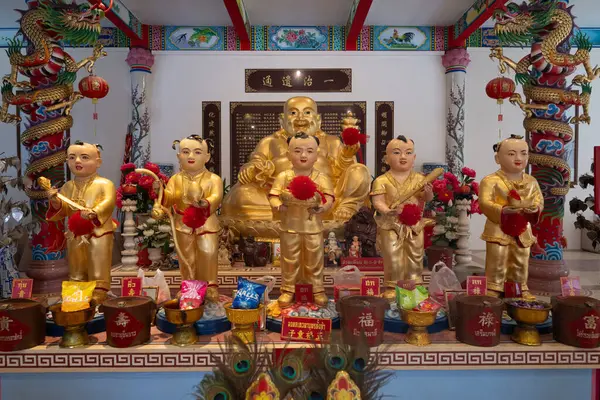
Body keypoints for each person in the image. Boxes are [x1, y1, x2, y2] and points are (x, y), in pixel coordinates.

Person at [268, 133, 335, 307]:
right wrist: (278, 206)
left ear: (317, 154)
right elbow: (273, 195)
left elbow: (329, 197)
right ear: (288, 154)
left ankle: (317, 289)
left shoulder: (321, 177)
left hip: (313, 226)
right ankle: (288, 289)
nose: (303, 155)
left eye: (309, 151)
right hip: (290, 226)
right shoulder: (284, 176)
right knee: (290, 259)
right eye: (297, 151)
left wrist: (323, 207)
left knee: (315, 258)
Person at [155, 135, 223, 302]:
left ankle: (210, 285)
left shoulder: (213, 179)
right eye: (186, 152)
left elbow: (217, 196)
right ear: (179, 156)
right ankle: (188, 285)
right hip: (183, 223)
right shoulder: (175, 179)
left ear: (207, 157)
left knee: (208, 252)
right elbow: (169, 198)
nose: (191, 157)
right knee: (186, 256)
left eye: (197, 152)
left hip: (205, 222)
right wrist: (161, 190)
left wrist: (205, 202)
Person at [47, 141, 117, 304]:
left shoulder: (105, 184)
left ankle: (99, 291)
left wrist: (95, 212)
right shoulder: (67, 187)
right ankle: (77, 291)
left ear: (97, 162)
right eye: (72, 157)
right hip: (75, 232)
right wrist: (56, 202)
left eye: (84, 157)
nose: (77, 161)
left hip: (98, 232)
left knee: (98, 262)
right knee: (76, 265)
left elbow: (108, 201)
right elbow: (63, 210)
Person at [480, 135, 543, 298]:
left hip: (522, 228)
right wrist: (503, 210)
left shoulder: (531, 181)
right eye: (511, 154)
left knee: (521, 259)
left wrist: (535, 209)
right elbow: (485, 203)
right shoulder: (490, 180)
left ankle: (520, 287)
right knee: (497, 259)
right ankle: (494, 287)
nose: (518, 158)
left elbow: (539, 201)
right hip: (498, 228)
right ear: (497, 158)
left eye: (523, 153)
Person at [371, 136, 433, 301]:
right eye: (397, 153)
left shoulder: (419, 179)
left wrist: (428, 192)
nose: (403, 157)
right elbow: (378, 202)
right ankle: (392, 286)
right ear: (387, 158)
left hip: (413, 225)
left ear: (414, 157)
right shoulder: (381, 180)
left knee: (415, 256)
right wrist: (389, 211)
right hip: (391, 225)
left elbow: (426, 198)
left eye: (408, 153)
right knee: (393, 257)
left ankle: (415, 286)